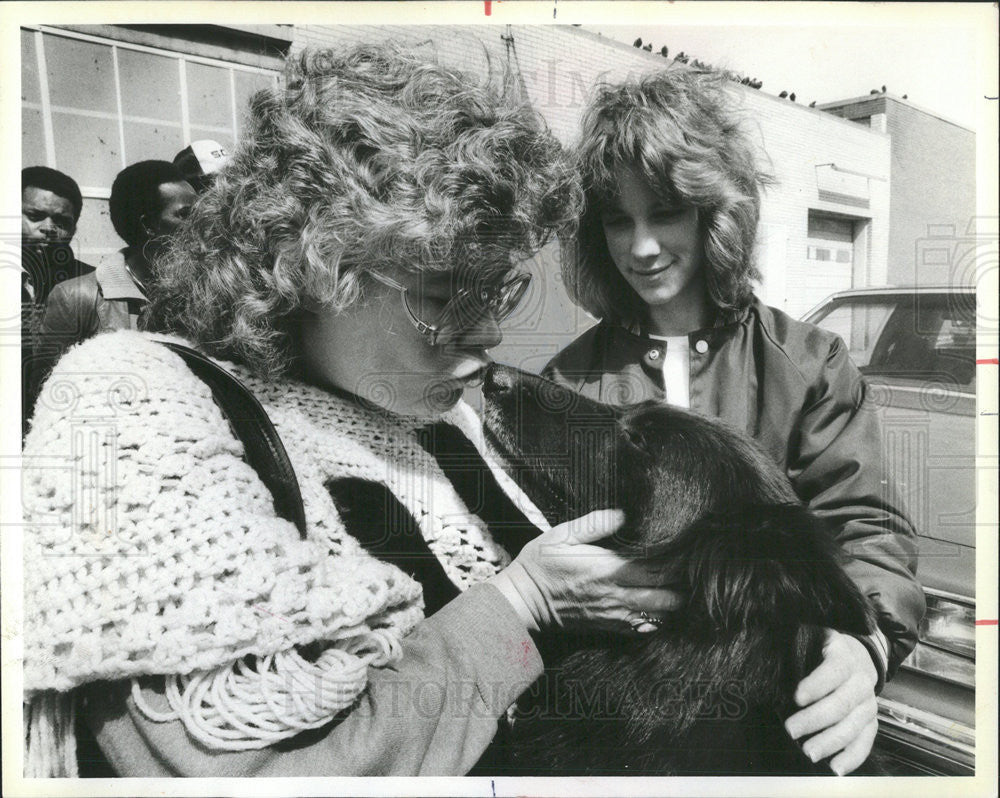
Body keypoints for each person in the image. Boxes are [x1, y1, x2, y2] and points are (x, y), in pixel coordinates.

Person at [21, 45, 680, 778]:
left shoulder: (438, 401)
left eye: (497, 292)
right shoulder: (136, 412)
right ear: (310, 265)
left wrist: (823, 647)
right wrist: (521, 603)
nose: (489, 331)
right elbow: (254, 780)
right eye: (443, 296)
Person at [543, 67, 926, 776]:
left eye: (664, 212)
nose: (642, 247)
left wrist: (862, 650)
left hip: (771, 726)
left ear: (715, 210)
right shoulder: (569, 383)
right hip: (632, 733)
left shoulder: (809, 365)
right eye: (617, 220)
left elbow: (866, 531)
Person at [31, 161, 197, 402]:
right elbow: (46, 396)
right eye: (185, 215)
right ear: (148, 225)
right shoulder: (77, 297)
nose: (201, 225)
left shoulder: (205, 293)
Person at [20, 166, 95, 432]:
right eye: (35, 216)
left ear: (74, 228)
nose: (49, 229)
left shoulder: (91, 286)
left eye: (61, 221)